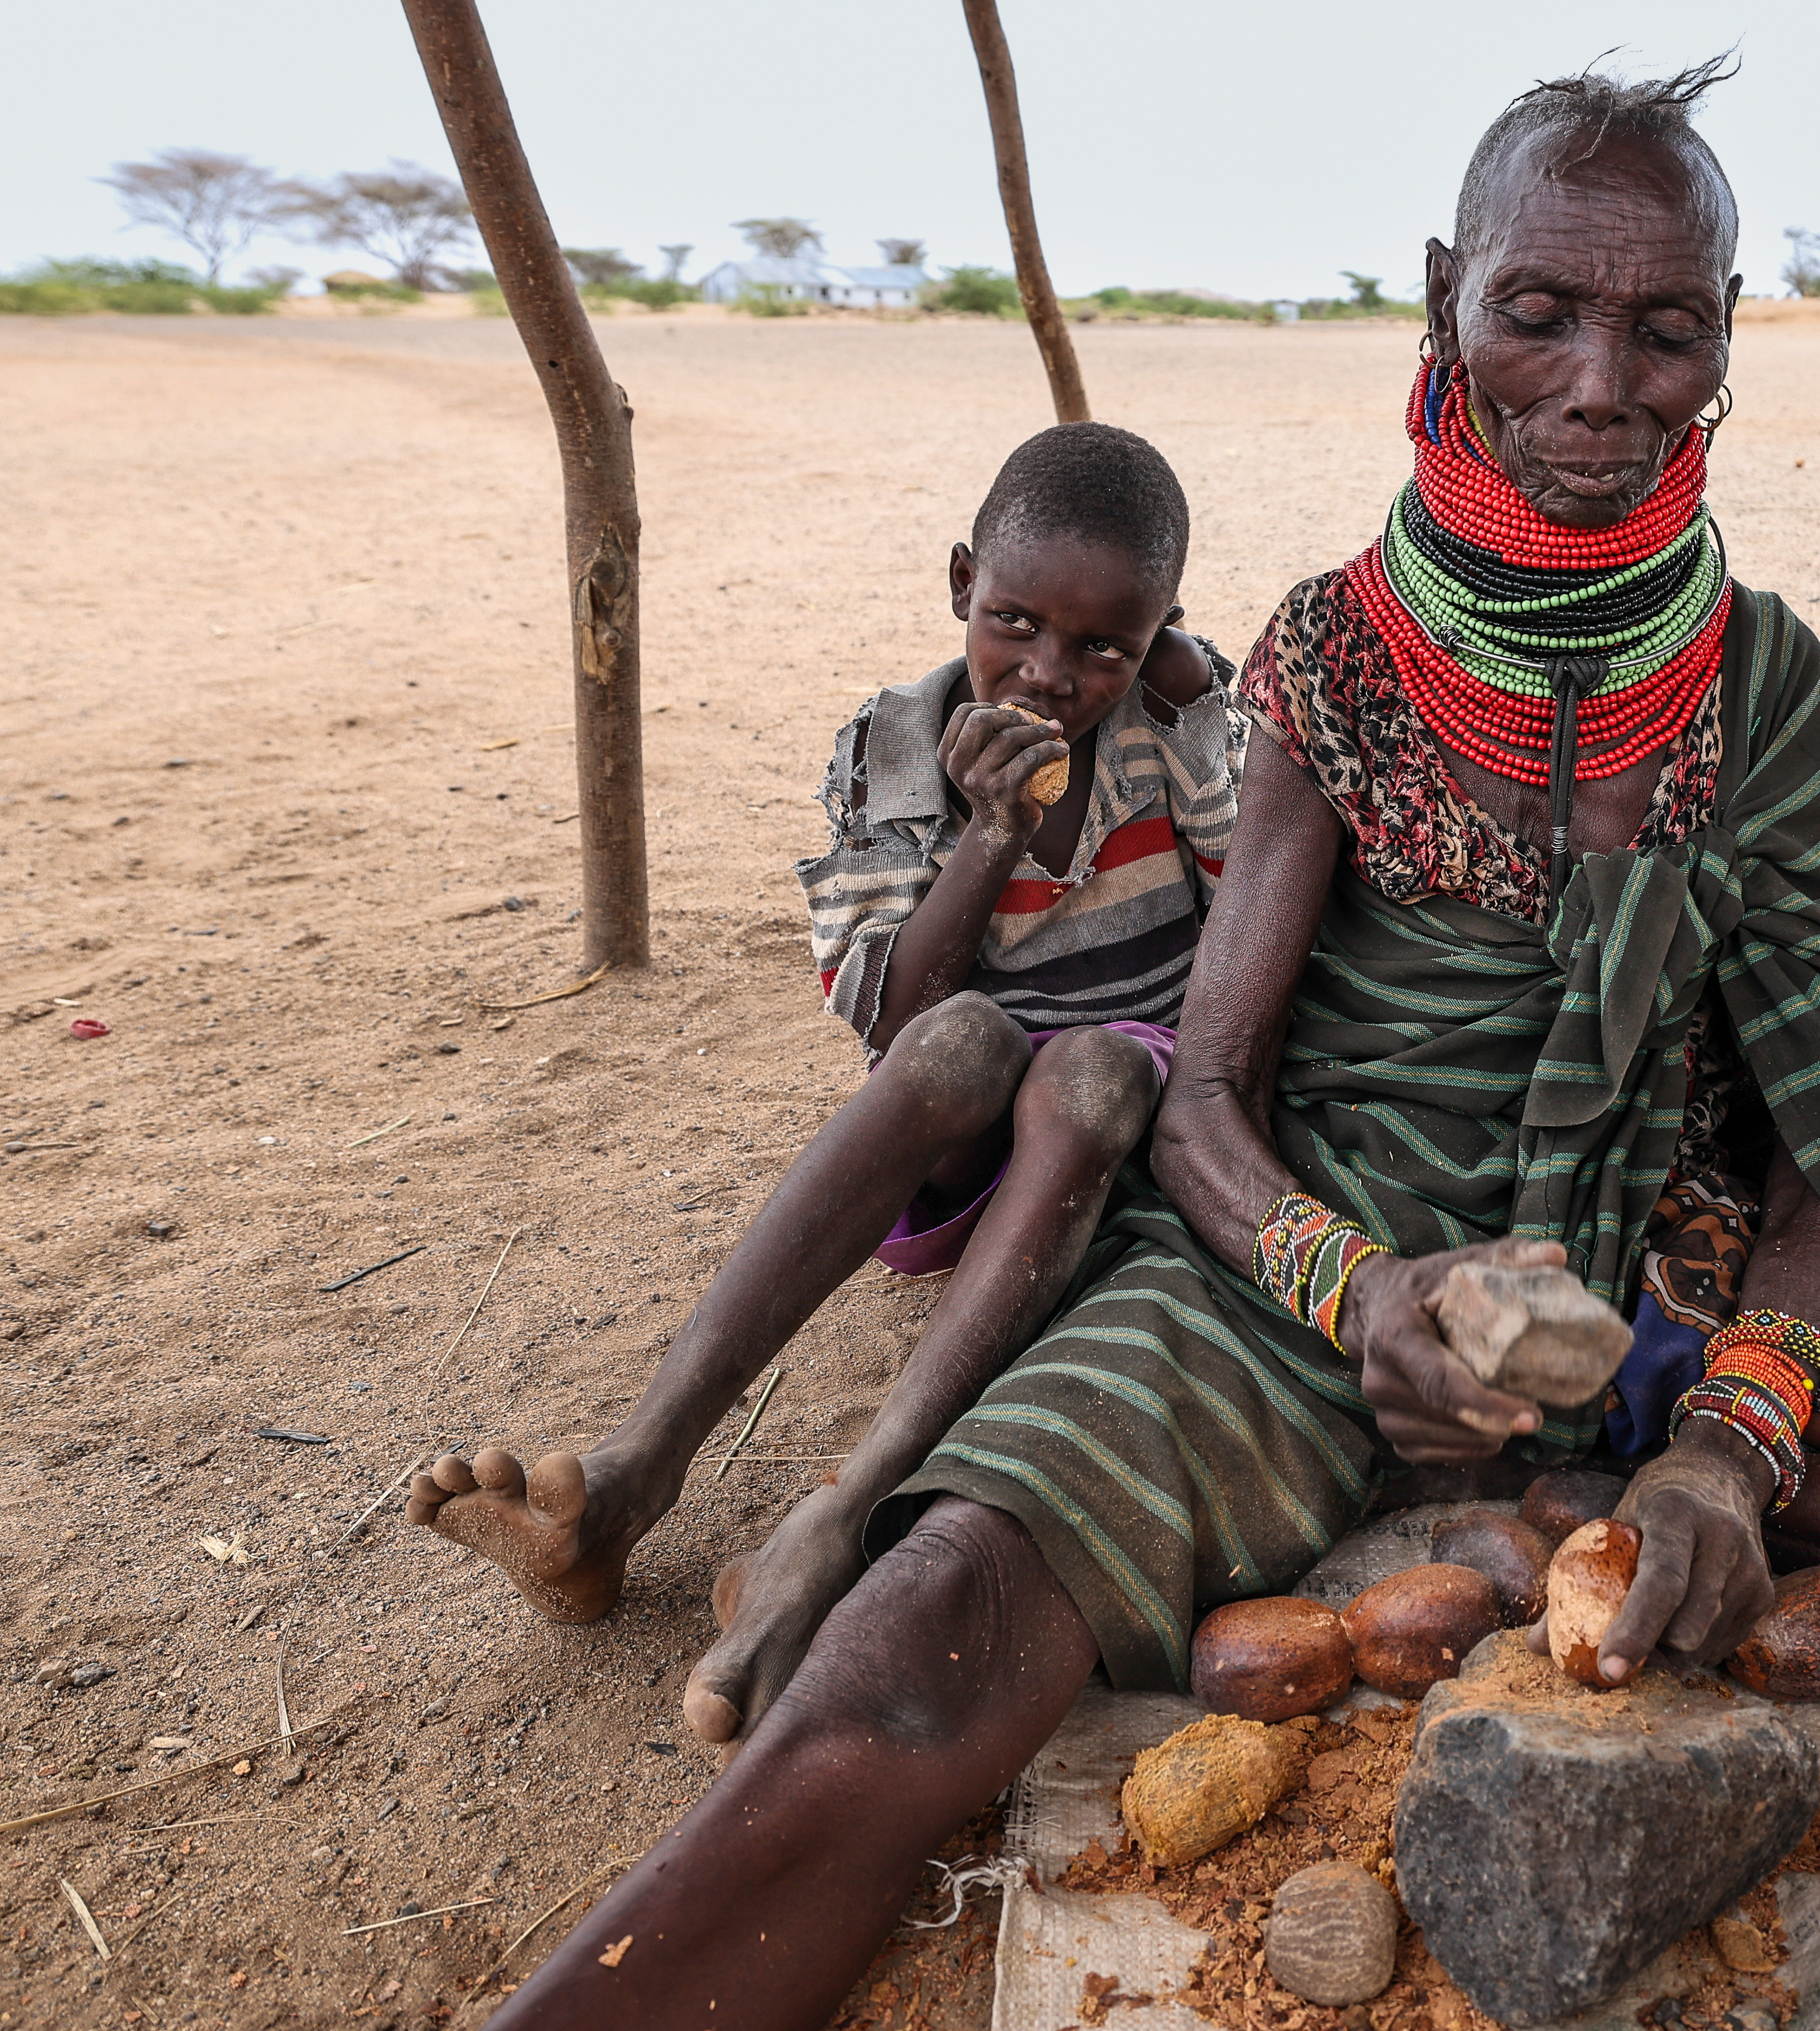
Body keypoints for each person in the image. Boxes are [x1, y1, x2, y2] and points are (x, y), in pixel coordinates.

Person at [475, 66, 1820, 2028]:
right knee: (913, 1646)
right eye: (1539, 308)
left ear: (1724, 345)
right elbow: (1199, 1097)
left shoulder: (1766, 685)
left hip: (1669, 1266)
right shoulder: (1337, 656)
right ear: (1446, 297)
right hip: (1324, 1256)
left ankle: (1628, 1484)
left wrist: (1731, 1429)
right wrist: (1355, 1292)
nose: (1602, 378)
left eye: (1667, 325)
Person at [406, 421, 1236, 1744]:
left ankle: (842, 1508)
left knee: (1083, 1069)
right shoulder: (895, 750)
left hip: (1136, 1138)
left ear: (1156, 638)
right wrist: (990, 835)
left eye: (1104, 647)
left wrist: (1191, 697)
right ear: (962, 580)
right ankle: (632, 1475)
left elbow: (1241, 911)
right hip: (973, 1161)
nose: (1052, 671)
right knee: (963, 1041)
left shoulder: (1178, 726)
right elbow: (893, 1016)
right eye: (1016, 623)